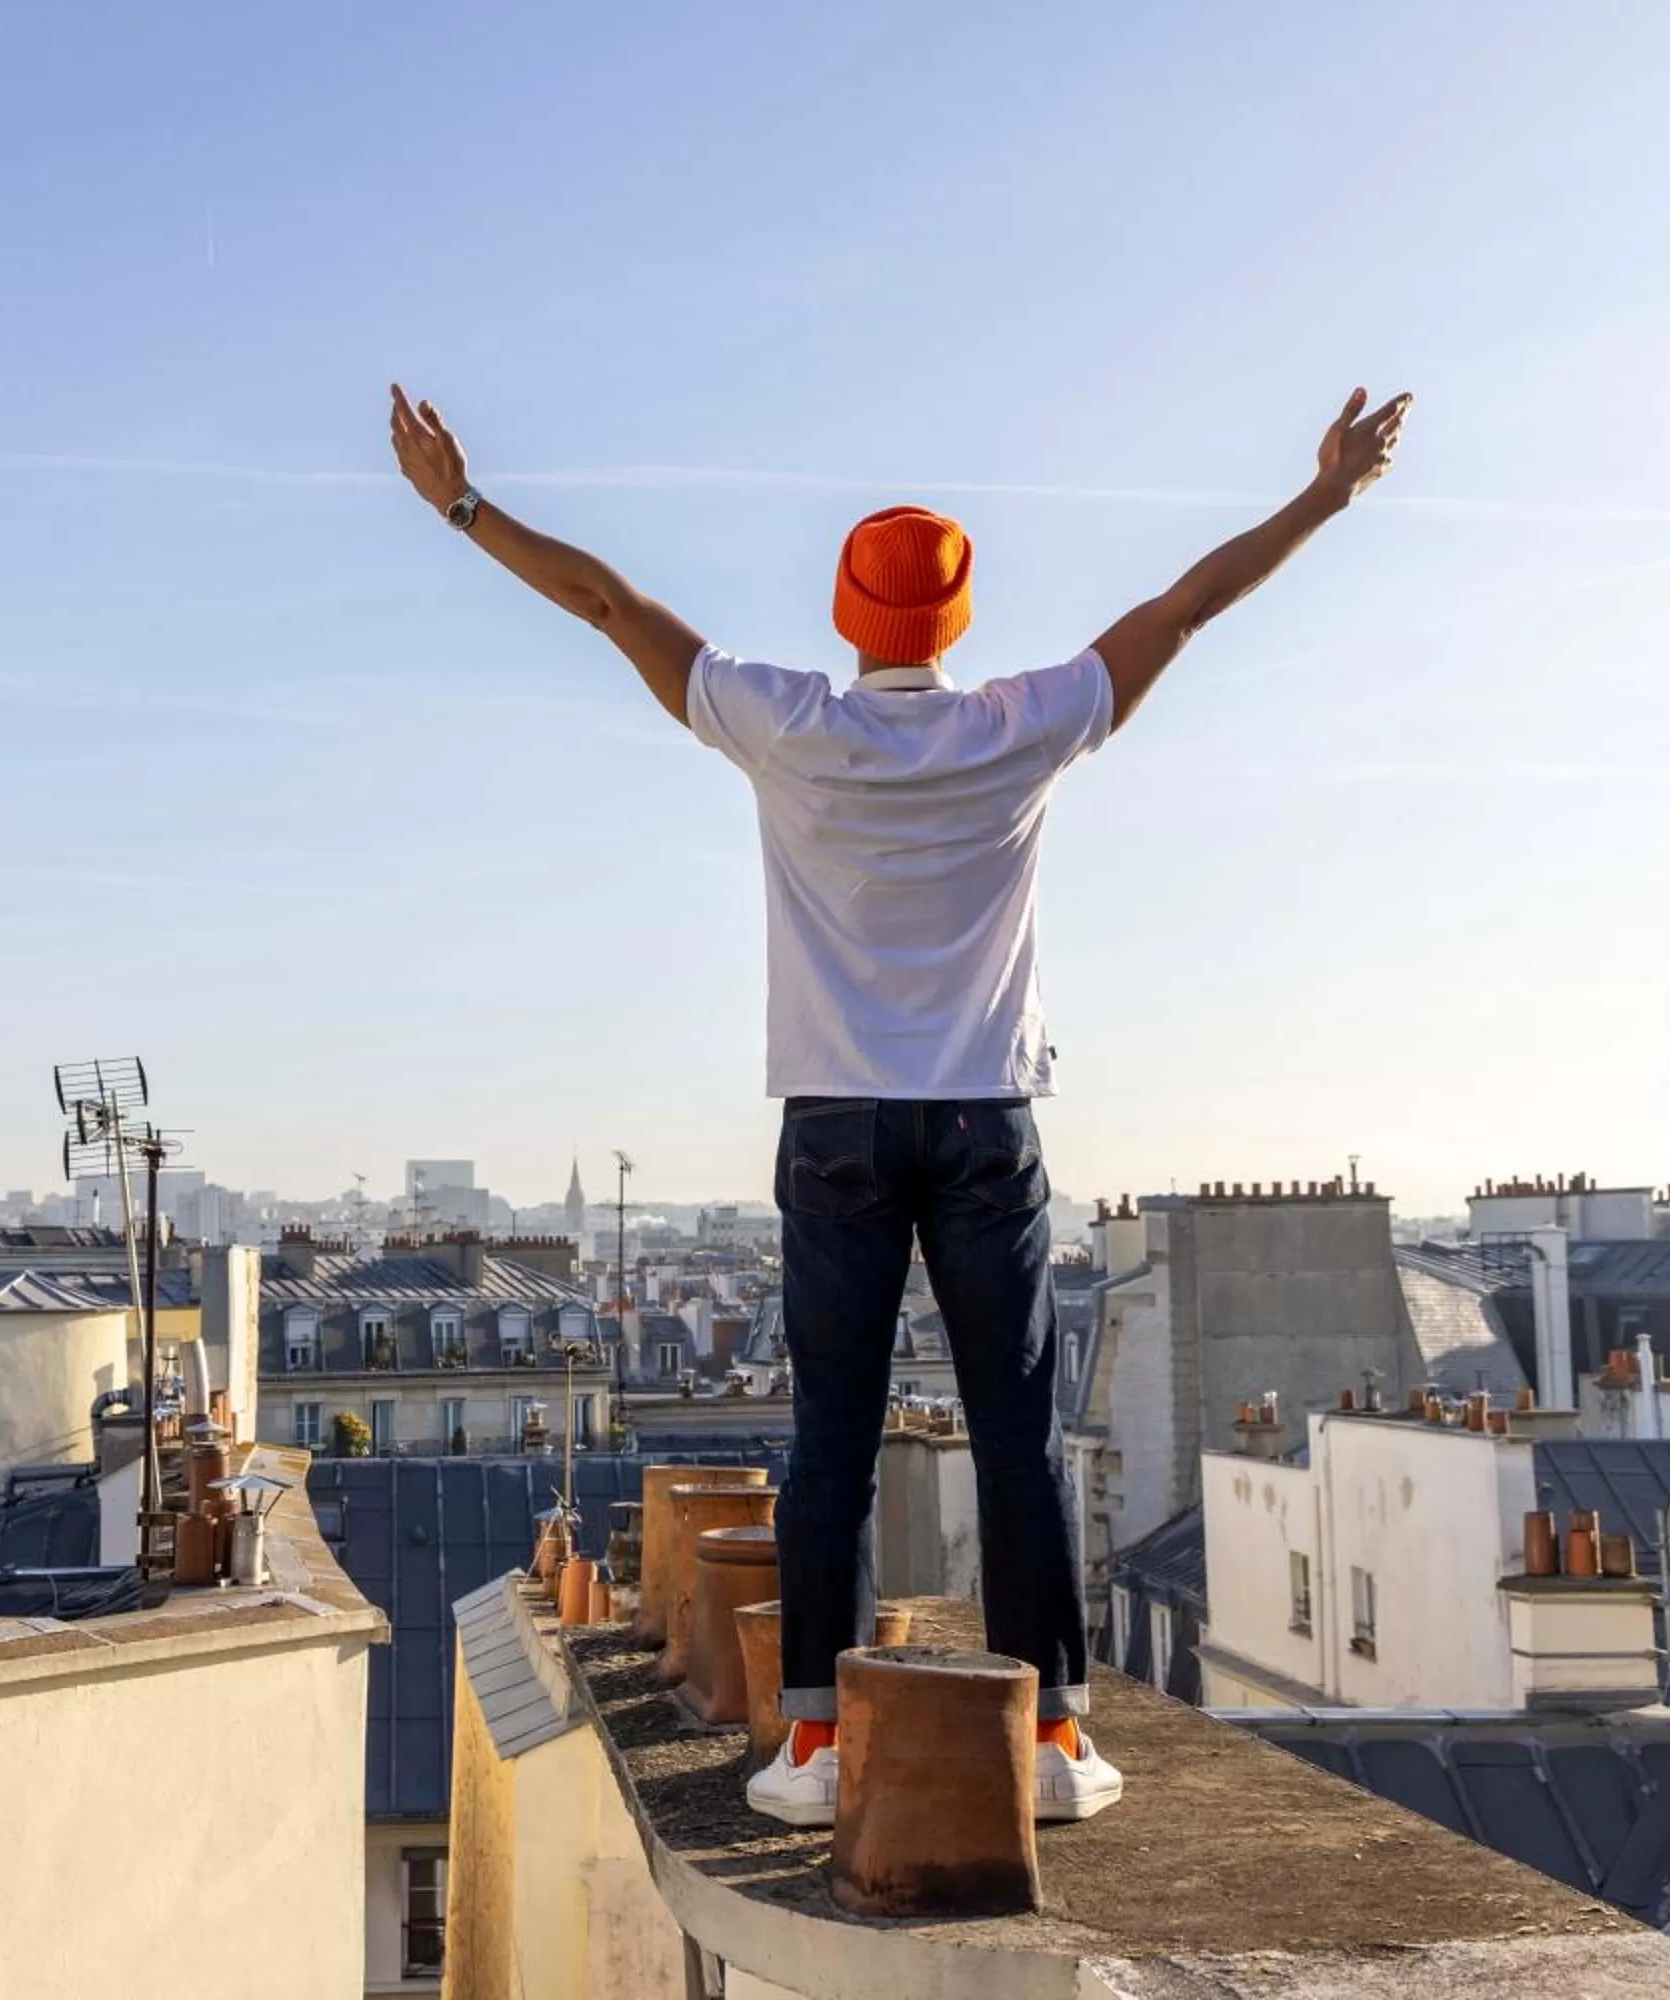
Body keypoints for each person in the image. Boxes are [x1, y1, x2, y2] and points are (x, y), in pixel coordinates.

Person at [389, 381, 1410, 1828]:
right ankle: (1052, 1735)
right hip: (986, 1116)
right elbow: (1184, 607)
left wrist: (462, 504)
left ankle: (811, 1746)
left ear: (848, 614)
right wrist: (1325, 495)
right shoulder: (1019, 725)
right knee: (1013, 1436)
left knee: (833, 1438)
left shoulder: (786, 722)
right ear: (959, 619)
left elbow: (609, 604)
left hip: (838, 1123)